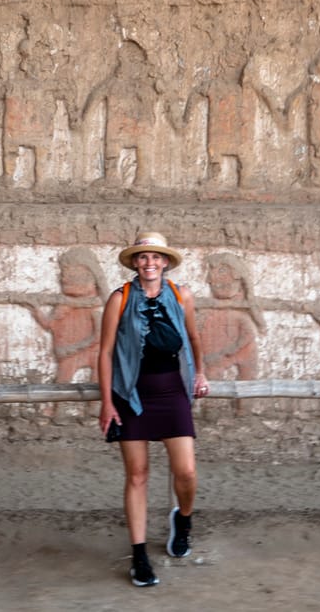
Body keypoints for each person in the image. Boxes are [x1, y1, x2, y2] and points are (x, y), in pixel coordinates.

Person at [98, 231, 210, 588]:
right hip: (131, 395)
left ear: (165, 262)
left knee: (187, 472)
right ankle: (140, 556)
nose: (149, 263)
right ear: (135, 262)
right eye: (143, 257)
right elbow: (104, 352)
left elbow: (193, 339)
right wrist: (106, 403)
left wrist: (201, 372)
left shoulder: (181, 295)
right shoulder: (120, 298)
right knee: (137, 476)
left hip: (171, 392)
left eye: (156, 257)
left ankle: (184, 520)